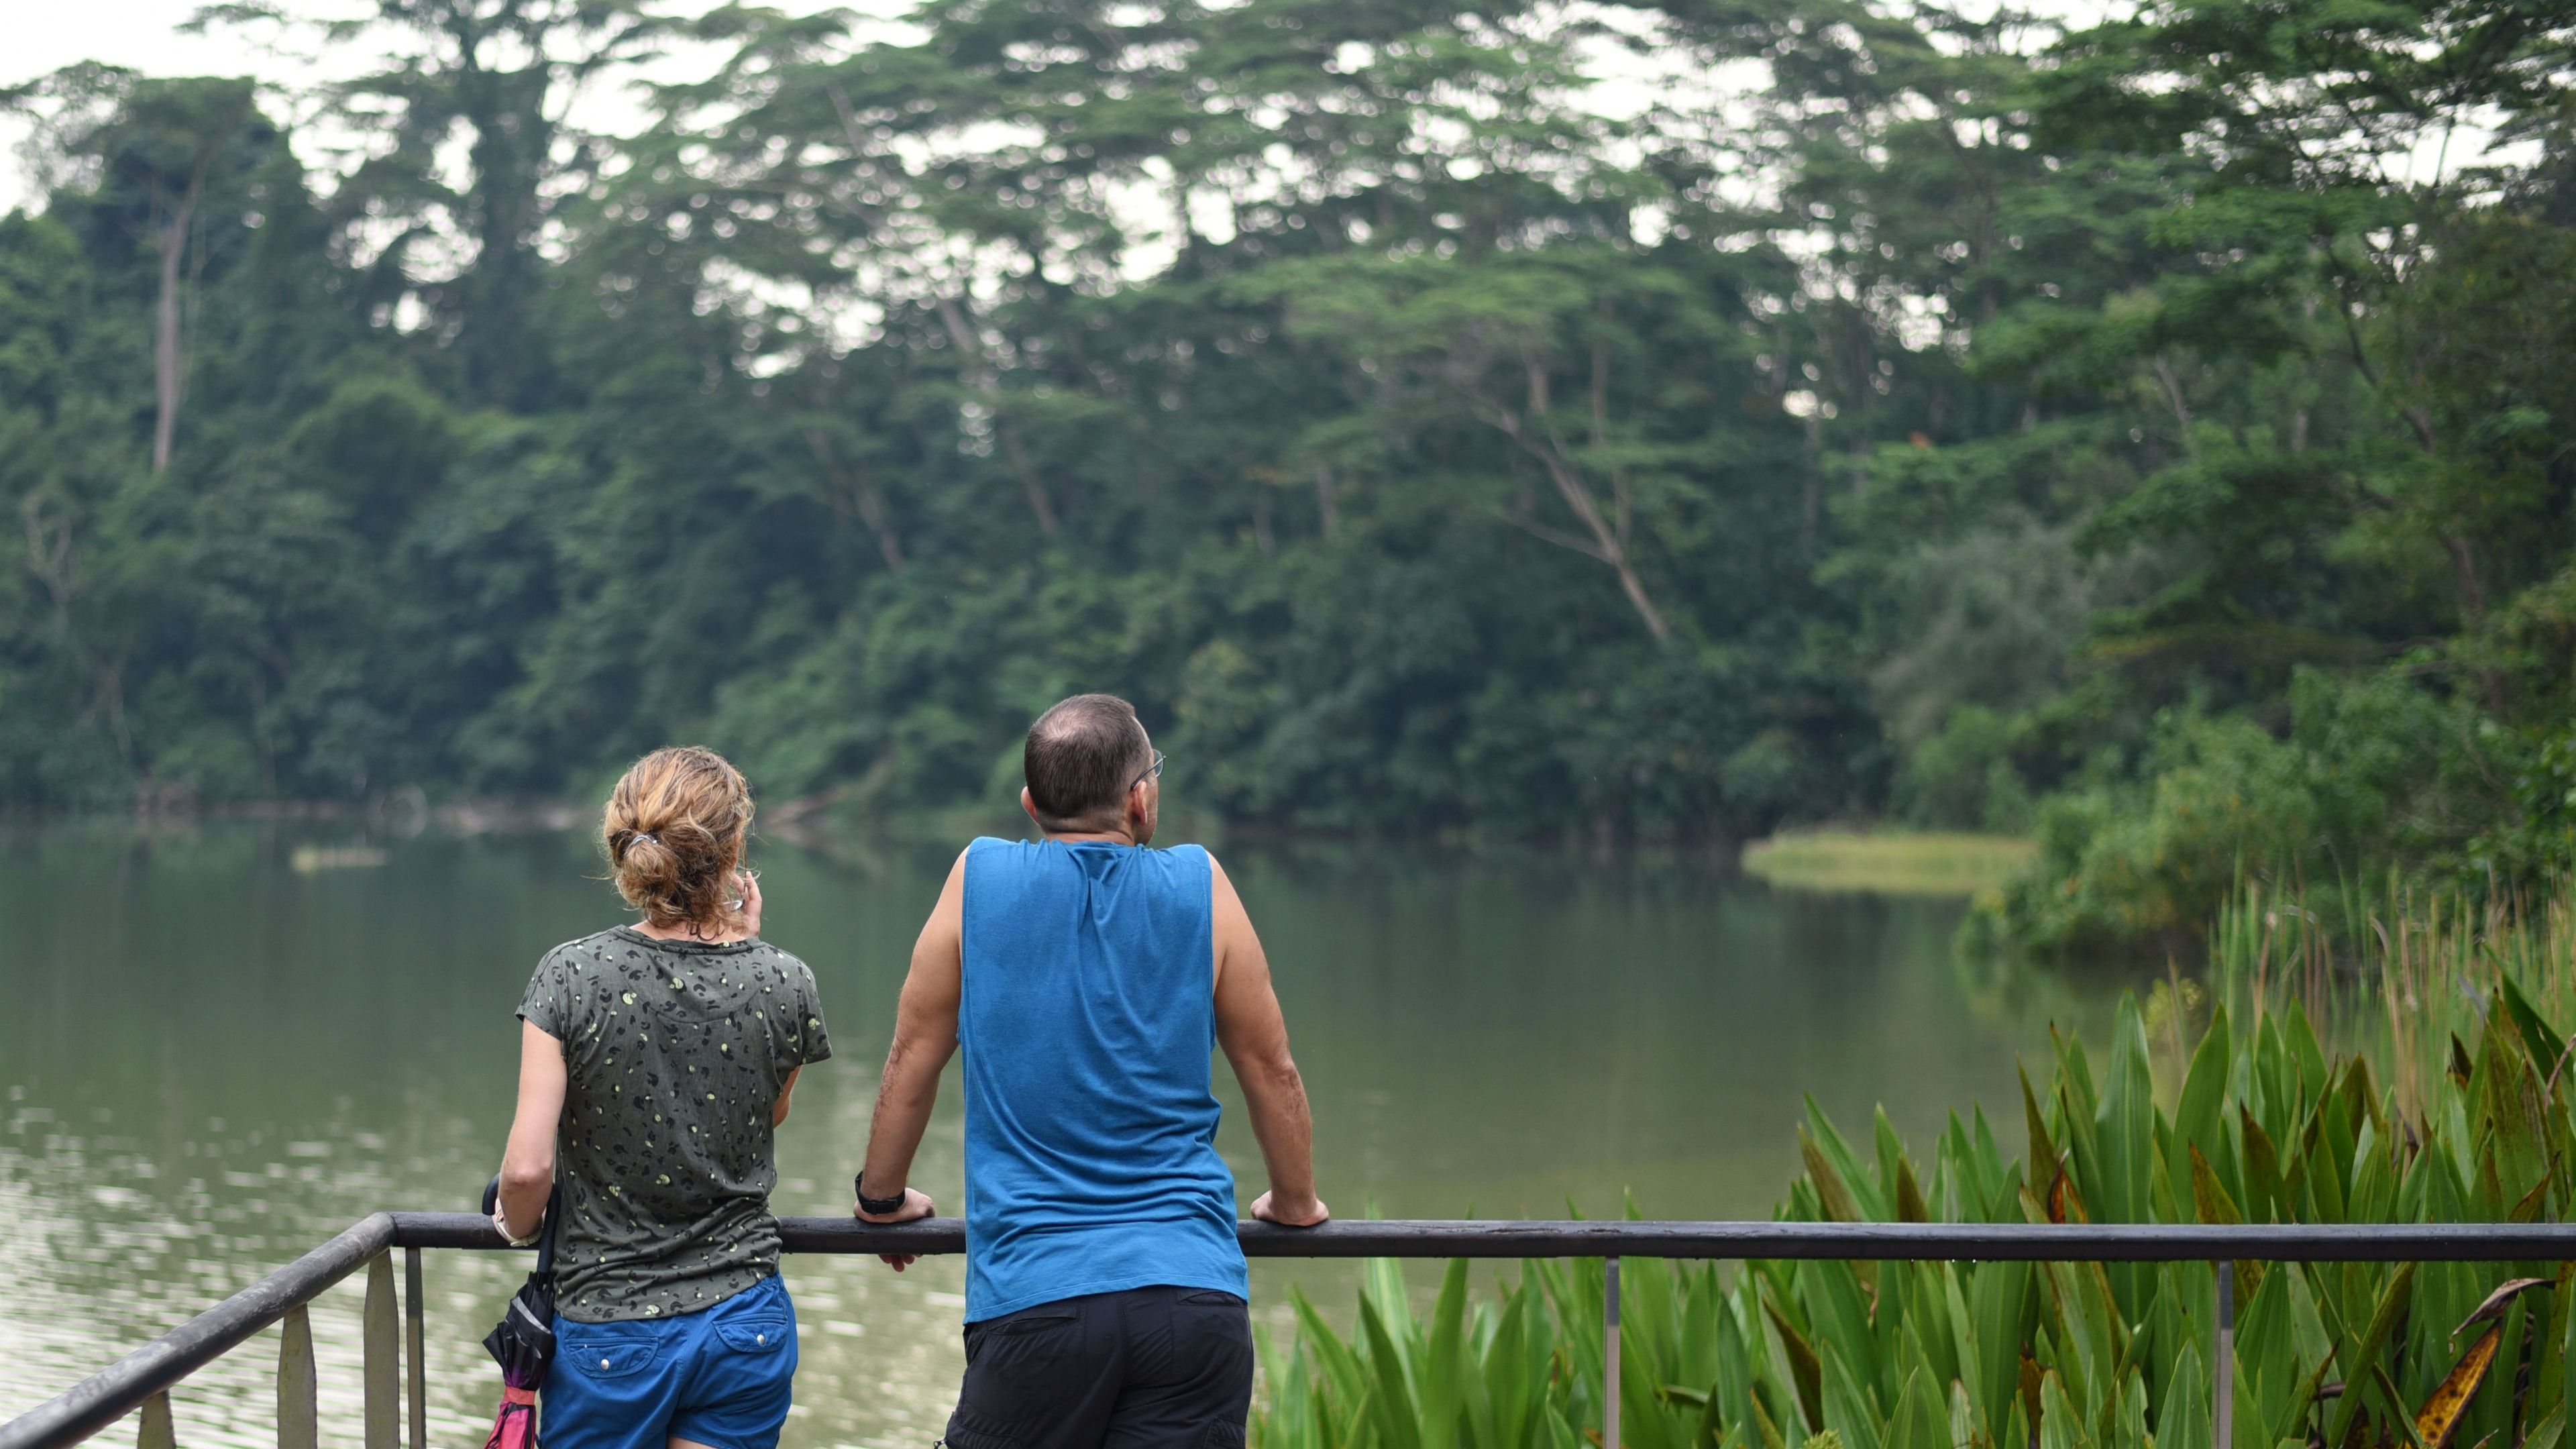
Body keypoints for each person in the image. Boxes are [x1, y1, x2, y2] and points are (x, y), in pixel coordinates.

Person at [853, 692, 1328, 1449]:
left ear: (1030, 802)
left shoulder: (978, 877)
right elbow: (1270, 1068)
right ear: (1140, 800)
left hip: (1036, 1300)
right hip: (1191, 1298)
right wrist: (1297, 1202)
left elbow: (915, 1054)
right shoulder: (1201, 884)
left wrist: (879, 1203)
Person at [491, 746, 831, 1449]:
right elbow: (763, 1115)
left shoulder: (571, 975)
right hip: (745, 1320)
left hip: (611, 1335)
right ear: (734, 848)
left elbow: (526, 1174)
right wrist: (746, 955)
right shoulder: (787, 981)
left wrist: (516, 1225)